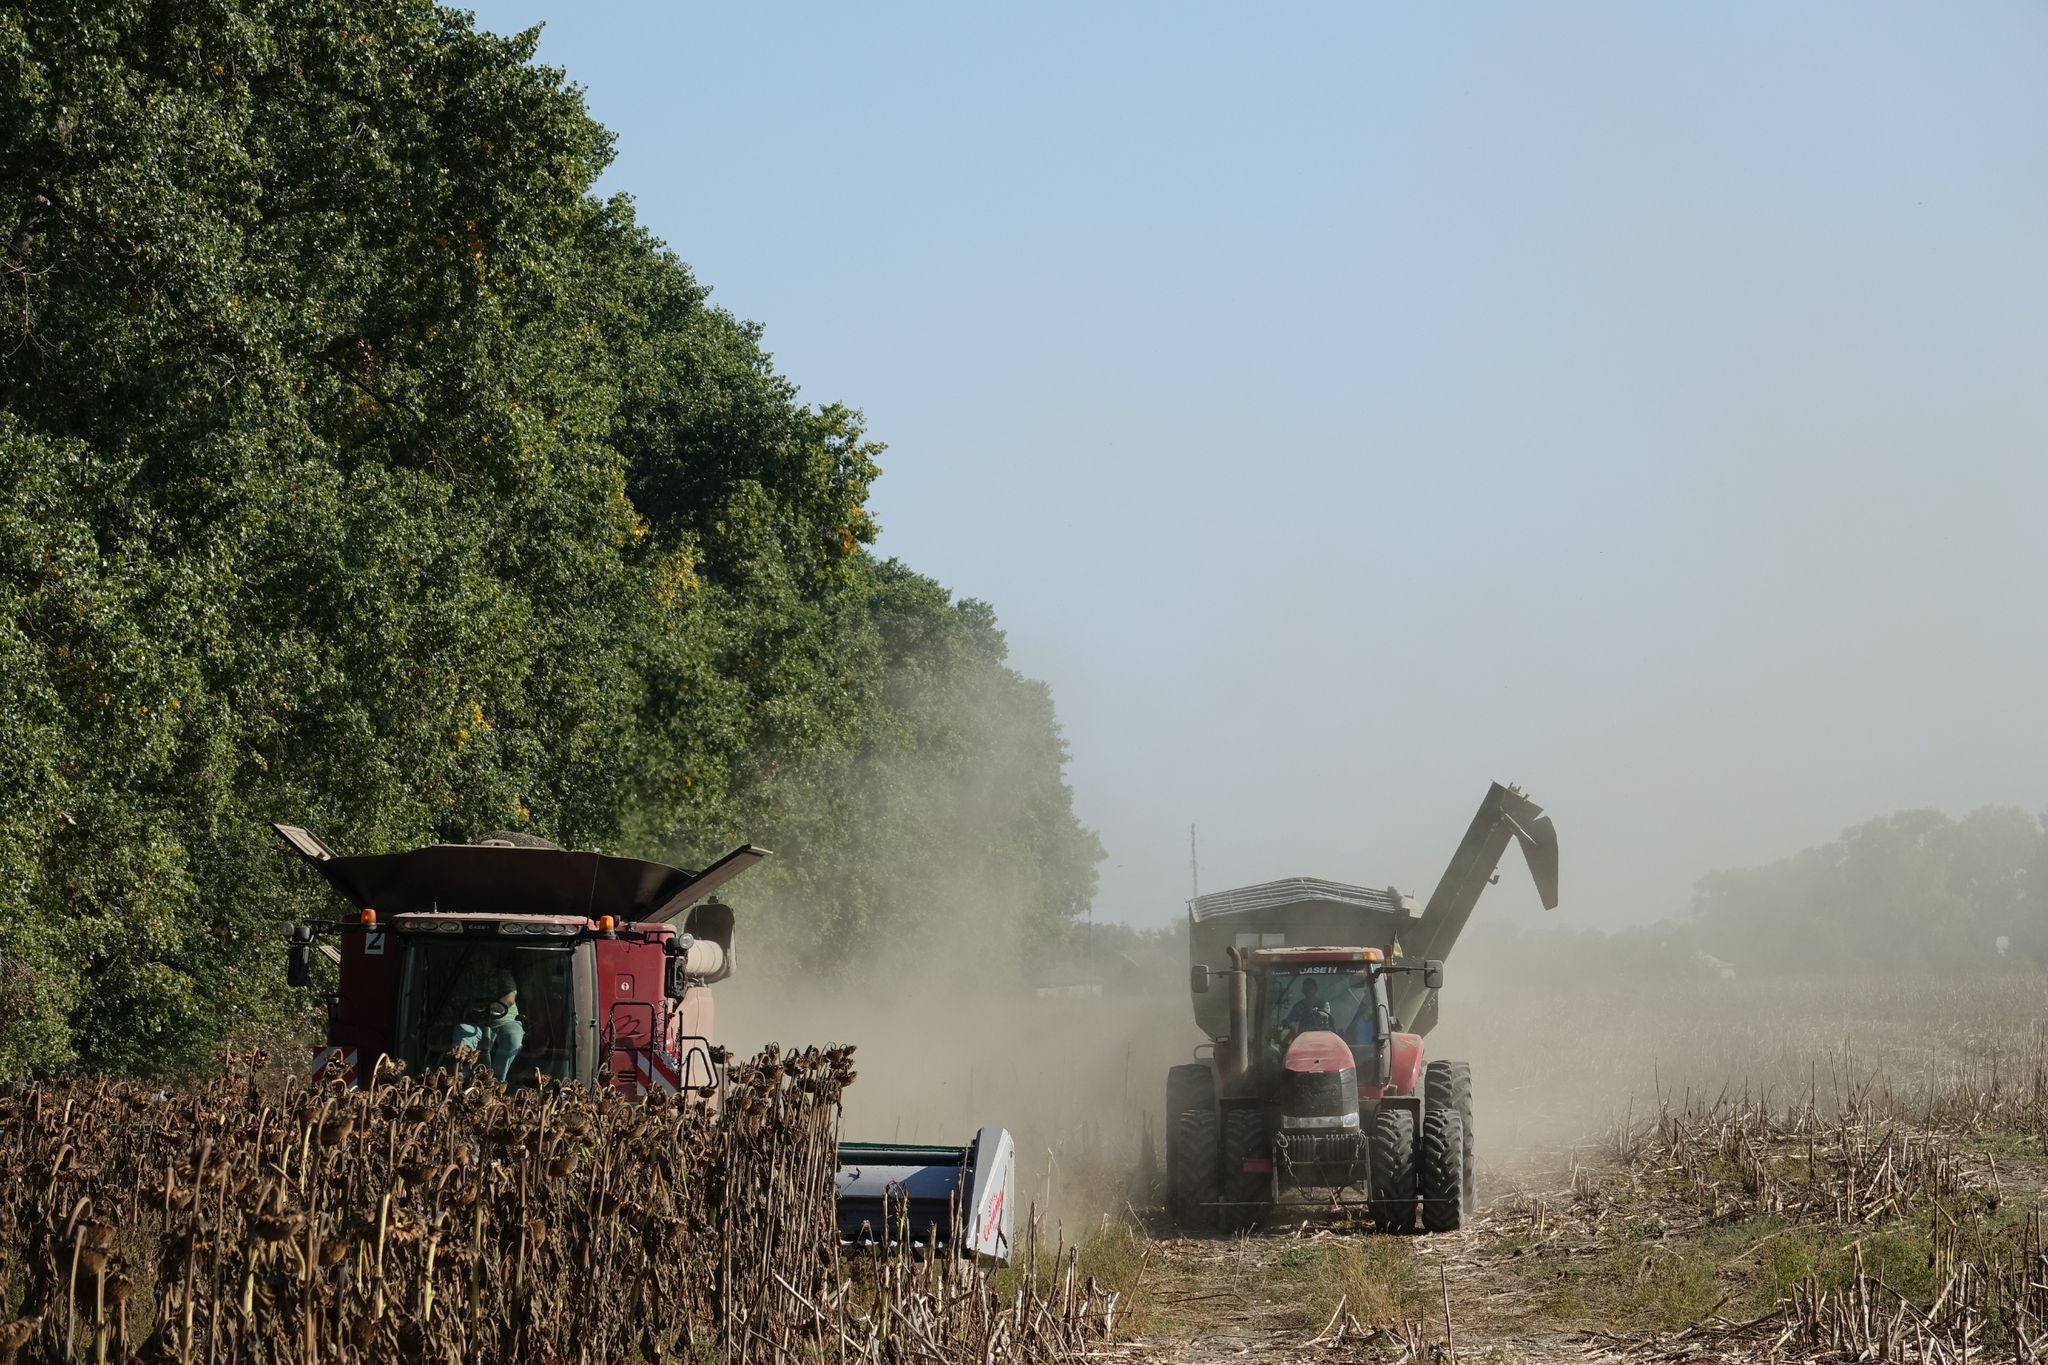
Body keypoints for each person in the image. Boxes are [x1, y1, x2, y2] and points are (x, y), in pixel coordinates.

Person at [451, 960, 524, 1082]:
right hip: (477, 1023)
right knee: (462, 1032)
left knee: (513, 1038)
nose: (480, 962)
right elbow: (459, 998)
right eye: (476, 958)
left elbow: (510, 998)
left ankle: (496, 1081)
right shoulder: (468, 977)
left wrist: (492, 1007)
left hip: (506, 1021)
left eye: (483, 957)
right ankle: (463, 1078)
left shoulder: (502, 975)